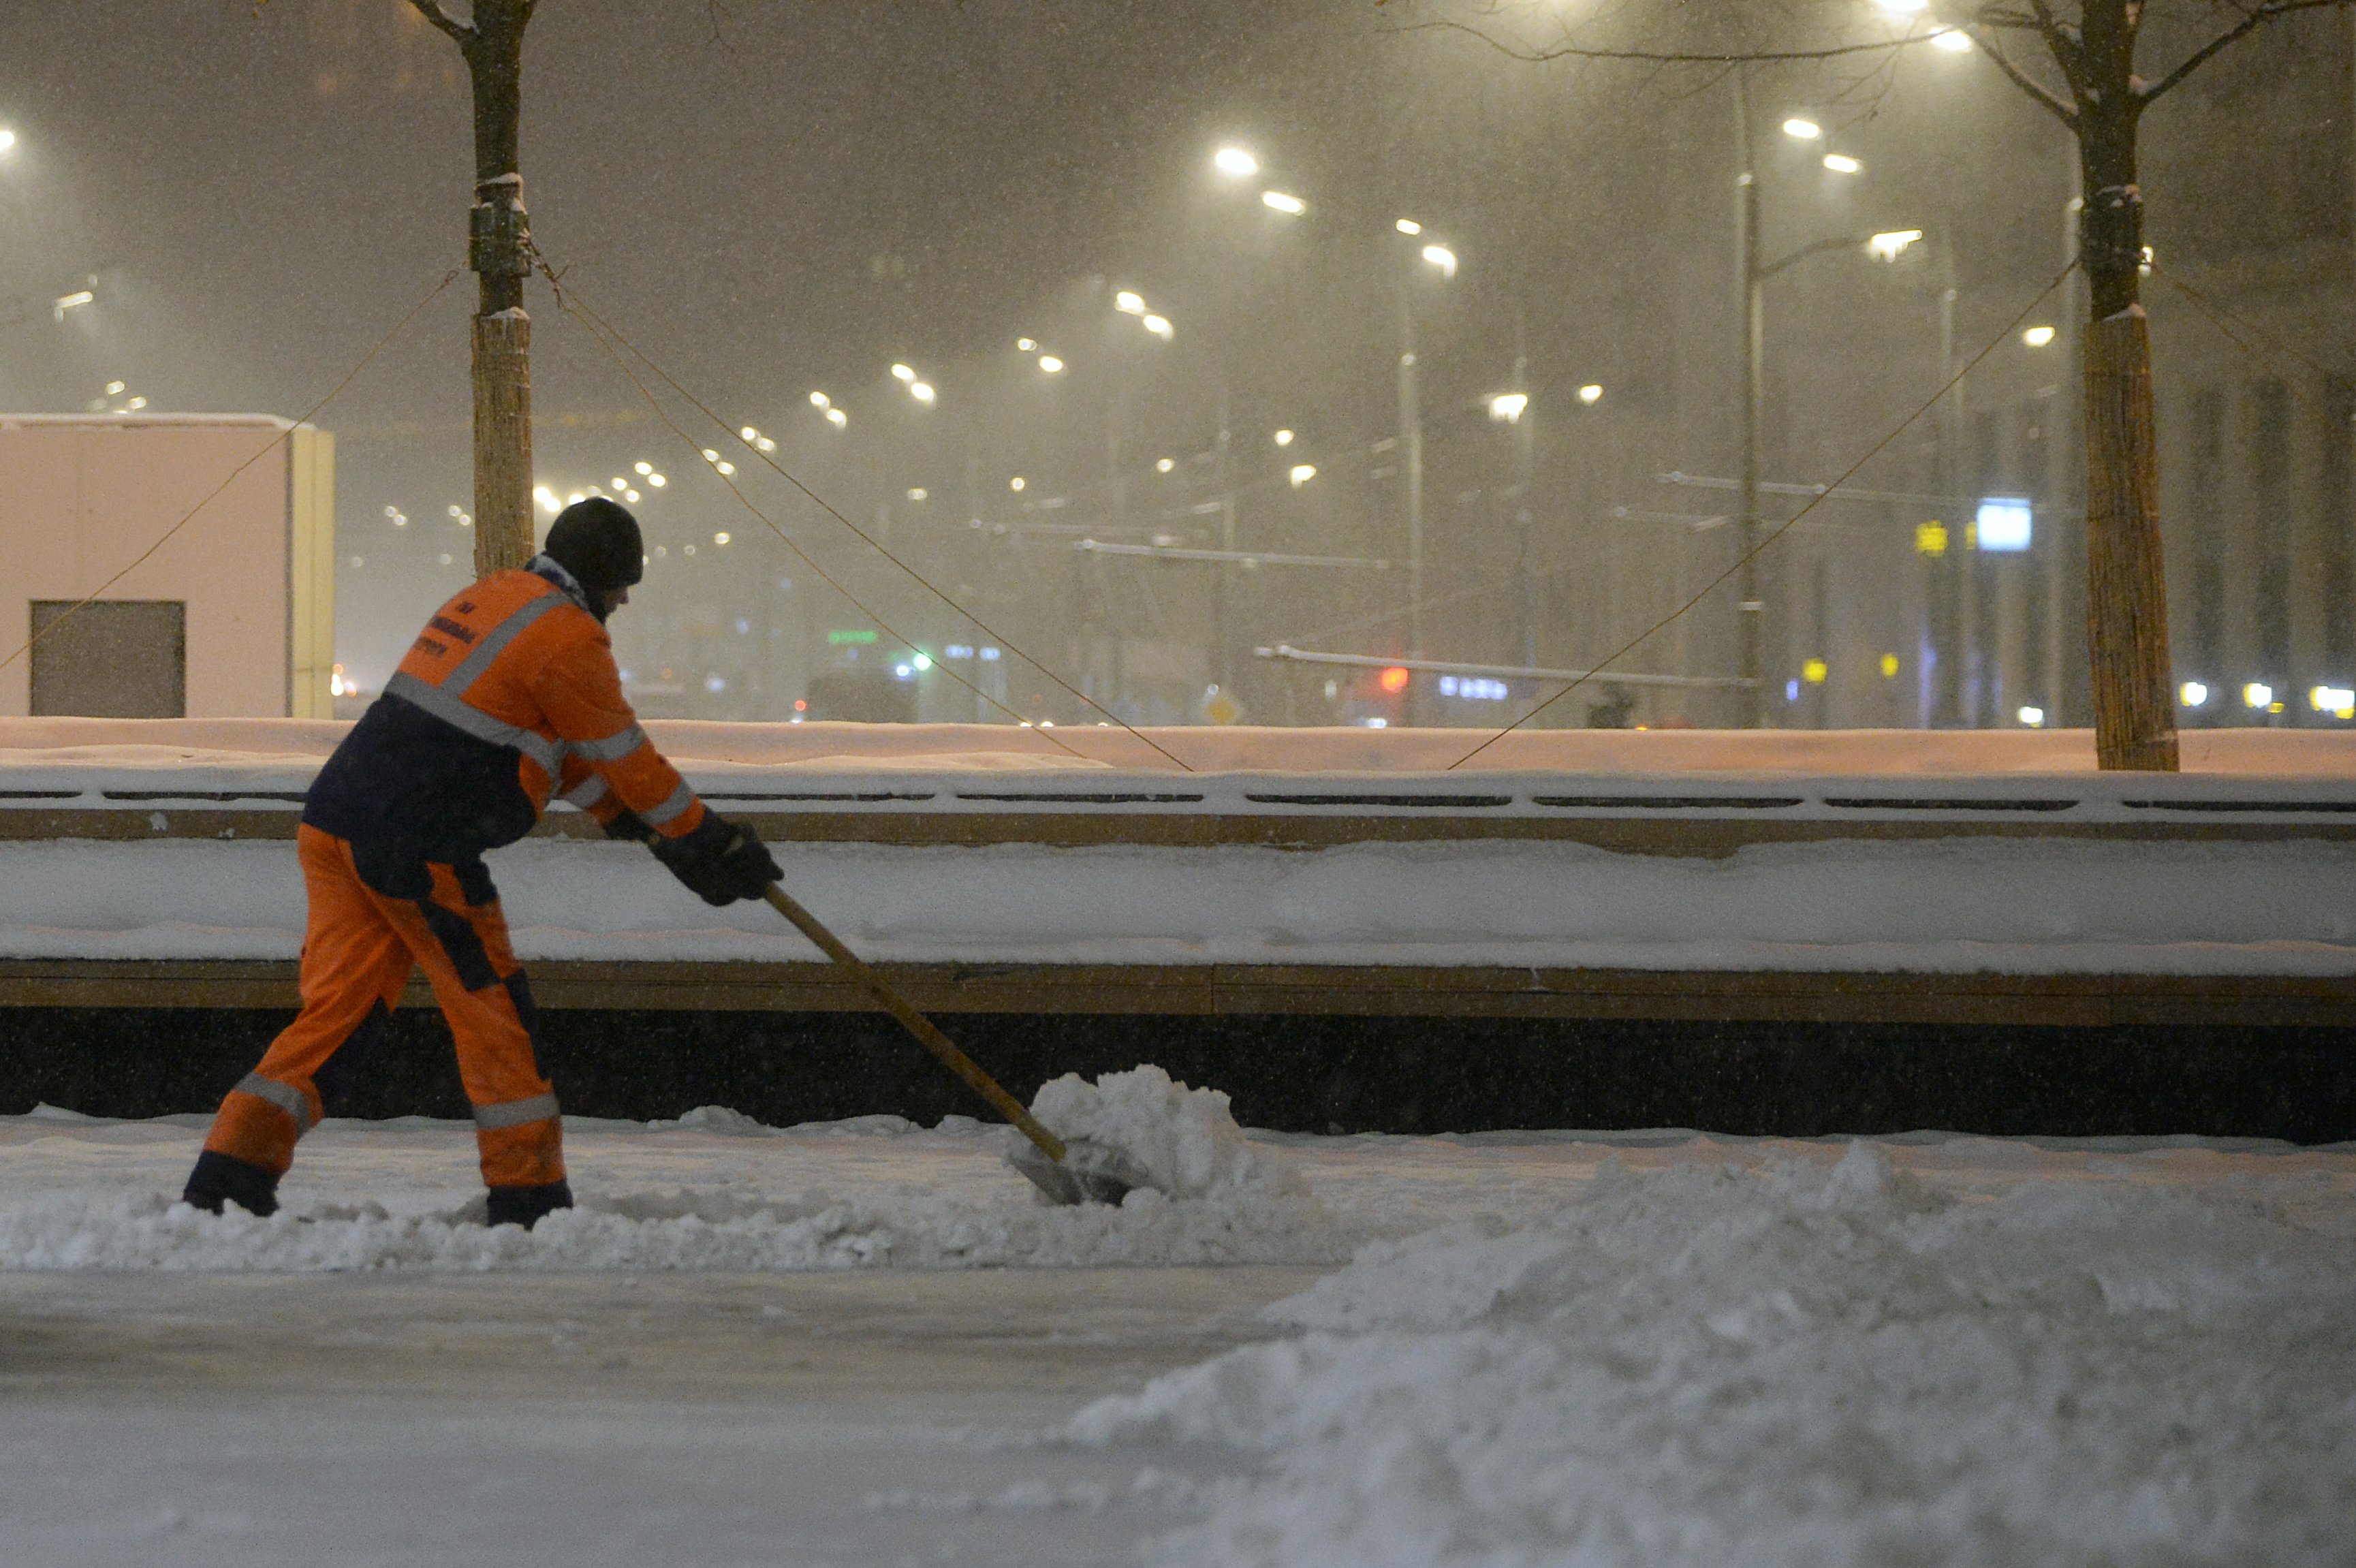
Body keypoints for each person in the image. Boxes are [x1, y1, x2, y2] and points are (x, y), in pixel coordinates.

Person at [180, 499, 780, 1228]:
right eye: (624, 584)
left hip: (336, 824)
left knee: (338, 1015)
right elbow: (627, 754)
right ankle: (528, 1197)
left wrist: (634, 826)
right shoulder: (568, 637)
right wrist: (709, 843)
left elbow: (560, 756)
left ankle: (227, 1176)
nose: (624, 599)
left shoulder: (494, 600)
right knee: (493, 1011)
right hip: (416, 847)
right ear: (598, 577)